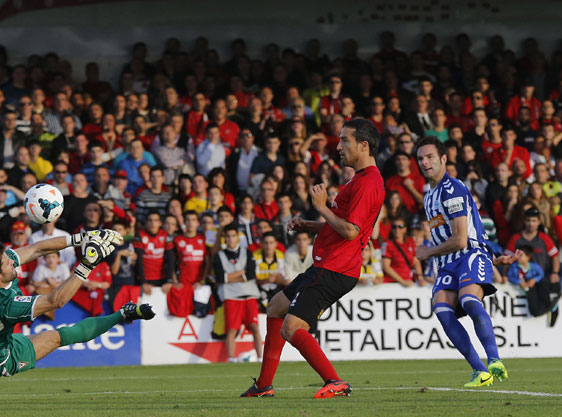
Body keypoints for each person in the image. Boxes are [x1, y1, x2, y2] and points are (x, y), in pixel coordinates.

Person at [0, 229, 156, 402]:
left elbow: (37, 248)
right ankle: (122, 314)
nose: (13, 263)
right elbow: (56, 301)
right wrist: (87, 263)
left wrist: (82, 237)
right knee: (58, 336)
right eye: (7, 264)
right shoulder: (4, 306)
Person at [241, 118, 384, 399]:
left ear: (364, 145)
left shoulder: (368, 184)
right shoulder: (360, 180)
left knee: (291, 327)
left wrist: (321, 208)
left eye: (345, 140)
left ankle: (335, 381)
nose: (339, 146)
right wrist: (310, 224)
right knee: (275, 307)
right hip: (326, 263)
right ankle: (264, 386)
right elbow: (342, 225)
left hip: (336, 268)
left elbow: (351, 231)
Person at [415, 135, 518, 388]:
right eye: (420, 158)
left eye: (429, 157)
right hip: (449, 260)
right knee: (441, 308)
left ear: (443, 159)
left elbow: (462, 240)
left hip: (468, 254)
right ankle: (480, 371)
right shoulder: (429, 196)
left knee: (469, 300)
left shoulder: (452, 189)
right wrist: (495, 257)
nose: (424, 162)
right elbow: (468, 230)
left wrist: (428, 252)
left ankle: (495, 360)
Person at [213, 224, 263, 363]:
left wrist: (229, 277)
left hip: (249, 295)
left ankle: (260, 358)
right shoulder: (219, 255)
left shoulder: (247, 252)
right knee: (232, 330)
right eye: (228, 236)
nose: (230, 239)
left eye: (233, 236)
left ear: (238, 237)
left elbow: (251, 274)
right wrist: (240, 274)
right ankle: (231, 359)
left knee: (254, 327)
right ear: (225, 239)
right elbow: (219, 278)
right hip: (231, 296)